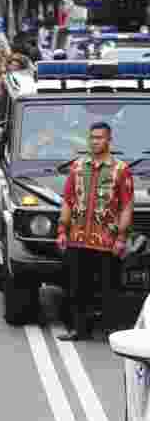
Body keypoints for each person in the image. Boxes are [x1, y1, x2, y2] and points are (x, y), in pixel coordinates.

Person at [55, 122, 133, 341]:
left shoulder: (121, 170)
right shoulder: (78, 167)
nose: (95, 141)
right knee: (78, 287)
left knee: (109, 287)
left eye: (100, 138)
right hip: (78, 239)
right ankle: (79, 329)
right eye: (92, 138)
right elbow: (68, 201)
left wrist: (121, 238)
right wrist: (62, 229)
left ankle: (110, 331)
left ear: (109, 140)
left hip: (107, 240)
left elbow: (127, 206)